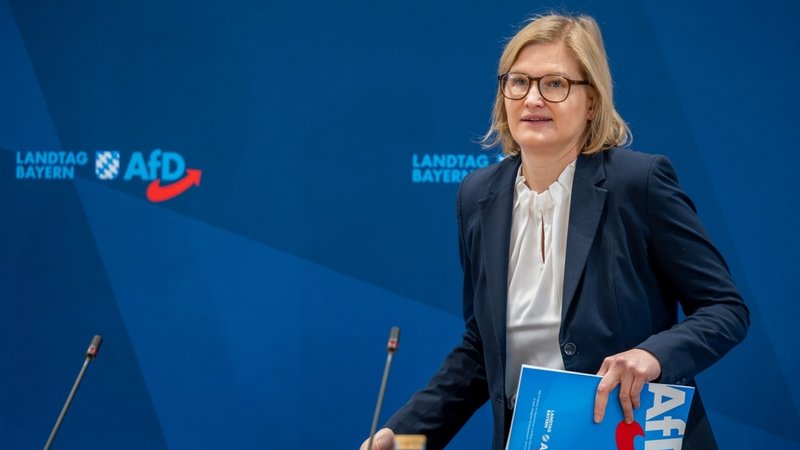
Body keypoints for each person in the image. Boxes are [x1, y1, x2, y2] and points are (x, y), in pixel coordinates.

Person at [360, 13, 749, 450]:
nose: (532, 98)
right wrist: (405, 433)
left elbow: (725, 308)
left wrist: (653, 355)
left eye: (555, 84)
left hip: (633, 434)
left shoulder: (638, 183)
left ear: (592, 102)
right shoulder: (477, 196)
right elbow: (482, 348)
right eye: (518, 82)